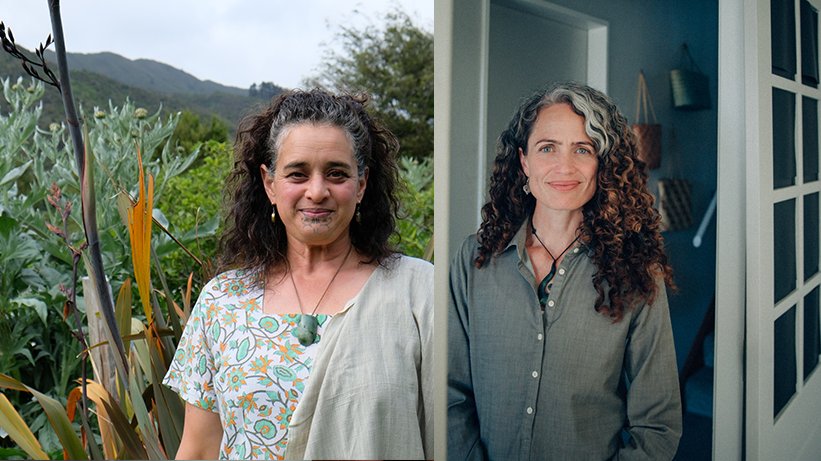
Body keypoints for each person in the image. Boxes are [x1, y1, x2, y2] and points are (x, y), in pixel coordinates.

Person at [163, 88, 433, 460]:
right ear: (270, 184)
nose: (317, 191)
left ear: (362, 185)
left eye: (337, 174)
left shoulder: (416, 294)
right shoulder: (222, 303)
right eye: (298, 174)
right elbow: (199, 449)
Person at [448, 82, 682, 460]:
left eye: (583, 149)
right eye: (547, 148)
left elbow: (657, 425)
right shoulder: (473, 259)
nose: (564, 167)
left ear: (602, 164)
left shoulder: (637, 272)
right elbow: (448, 393)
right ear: (524, 161)